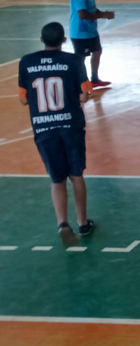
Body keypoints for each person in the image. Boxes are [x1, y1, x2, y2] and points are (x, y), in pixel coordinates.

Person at [18, 22, 95, 246]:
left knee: (57, 178)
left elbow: (23, 99)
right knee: (76, 174)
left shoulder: (27, 62)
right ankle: (83, 223)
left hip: (43, 129)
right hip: (71, 126)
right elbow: (84, 97)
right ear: (64, 41)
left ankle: (62, 223)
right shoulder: (75, 61)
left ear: (41, 40)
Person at [70, 0, 113, 89]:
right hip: (80, 32)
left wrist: (103, 13)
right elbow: (82, 14)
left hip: (91, 31)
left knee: (97, 51)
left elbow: (92, 9)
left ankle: (94, 79)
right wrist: (103, 15)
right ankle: (79, 82)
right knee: (80, 58)